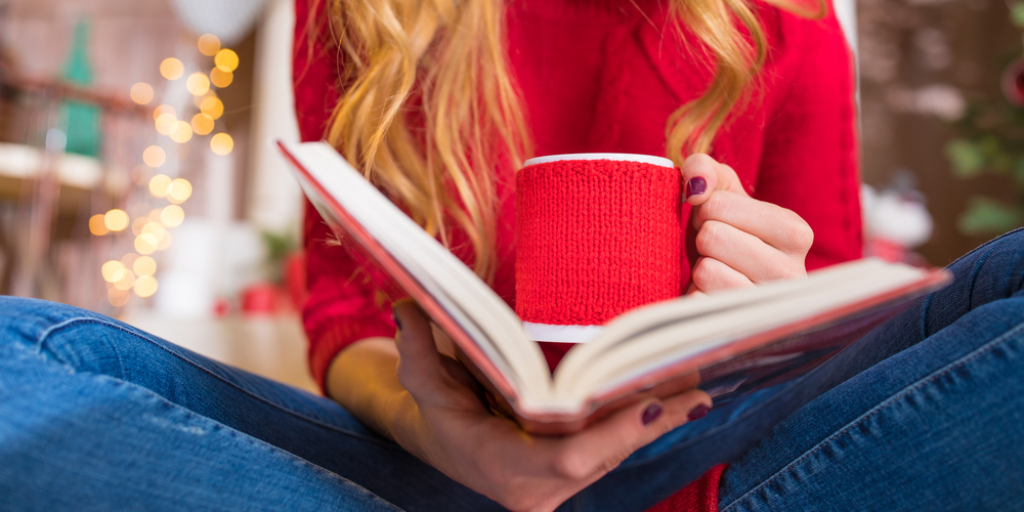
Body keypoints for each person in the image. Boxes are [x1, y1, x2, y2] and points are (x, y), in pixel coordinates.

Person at [0, 0, 1021, 511]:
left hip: (701, 455)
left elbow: (845, 319)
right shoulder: (368, 13)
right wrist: (445, 430)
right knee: (14, 351)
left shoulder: (782, 24)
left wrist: (777, 307)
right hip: (436, 466)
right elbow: (344, 308)